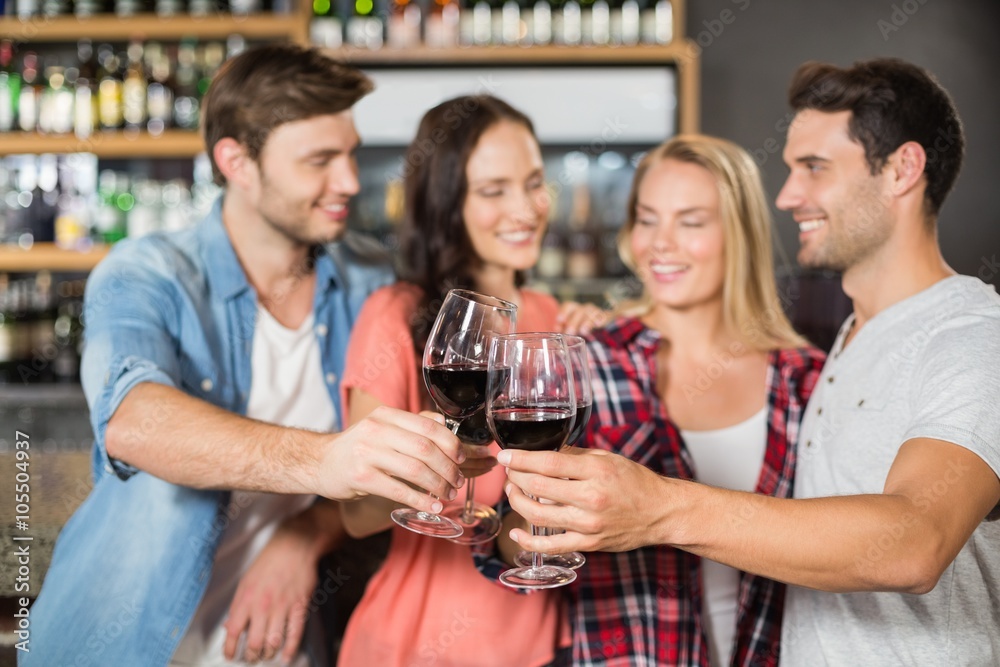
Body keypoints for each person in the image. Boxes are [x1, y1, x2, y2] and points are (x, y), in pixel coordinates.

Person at [498, 58, 1000, 665]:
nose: (787, 196)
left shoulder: (965, 337)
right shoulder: (846, 347)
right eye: (648, 220)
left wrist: (661, 508)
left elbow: (914, 543)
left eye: (813, 169)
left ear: (902, 169)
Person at [23, 45, 467, 667]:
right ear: (238, 162)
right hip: (121, 642)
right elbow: (133, 421)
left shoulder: (370, 278)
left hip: (282, 645)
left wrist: (307, 531)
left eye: (350, 154)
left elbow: (464, 332)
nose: (348, 181)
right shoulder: (146, 273)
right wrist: (323, 461)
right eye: (319, 160)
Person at [482, 134, 824, 666]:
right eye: (646, 219)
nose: (661, 243)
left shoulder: (806, 381)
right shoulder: (589, 362)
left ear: (740, 234)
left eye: (690, 222)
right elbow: (513, 540)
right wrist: (534, 523)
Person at [331, 95, 590, 667]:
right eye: (494, 190)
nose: (525, 208)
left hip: (539, 640)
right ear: (448, 203)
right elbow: (356, 514)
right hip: (413, 644)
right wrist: (438, 468)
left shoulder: (556, 321)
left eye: (533, 182)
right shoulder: (394, 315)